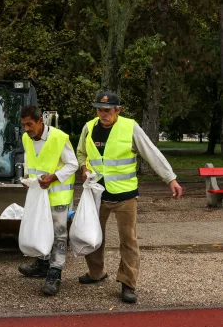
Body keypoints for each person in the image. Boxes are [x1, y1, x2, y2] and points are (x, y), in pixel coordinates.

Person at [76, 91, 183, 303]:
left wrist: (170, 178)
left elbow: (151, 152)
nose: (103, 114)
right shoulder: (88, 128)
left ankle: (128, 283)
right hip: (96, 193)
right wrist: (83, 167)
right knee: (91, 235)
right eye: (99, 109)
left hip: (125, 195)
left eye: (107, 110)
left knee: (128, 240)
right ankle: (96, 273)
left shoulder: (130, 127)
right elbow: (81, 152)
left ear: (118, 110)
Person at [17, 106, 78, 296]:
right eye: (24, 125)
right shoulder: (27, 138)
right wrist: (27, 176)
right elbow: (31, 158)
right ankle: (43, 264)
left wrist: (53, 177)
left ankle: (55, 272)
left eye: (30, 124)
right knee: (40, 228)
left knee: (59, 234)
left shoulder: (59, 137)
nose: (27, 129)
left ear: (40, 122)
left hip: (57, 194)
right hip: (38, 194)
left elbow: (73, 164)